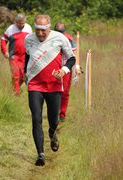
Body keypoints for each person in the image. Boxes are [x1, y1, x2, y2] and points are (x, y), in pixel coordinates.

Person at [24, 15, 76, 166]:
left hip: (54, 85)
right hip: (35, 85)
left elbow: (71, 58)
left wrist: (65, 70)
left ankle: (52, 133)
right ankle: (40, 155)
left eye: (43, 30)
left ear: (49, 27)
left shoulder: (60, 38)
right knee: (36, 119)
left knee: (54, 120)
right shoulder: (29, 39)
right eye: (37, 30)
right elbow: (28, 57)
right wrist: (25, 73)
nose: (40, 33)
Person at [54, 21, 81, 122]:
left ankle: (62, 114)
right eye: (57, 32)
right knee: (53, 91)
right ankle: (54, 112)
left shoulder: (69, 39)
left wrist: (76, 66)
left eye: (61, 32)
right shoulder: (50, 38)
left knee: (65, 92)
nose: (59, 34)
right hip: (53, 67)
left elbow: (74, 54)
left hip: (66, 68)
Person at [0, 13, 32, 96]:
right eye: (19, 23)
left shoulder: (28, 28)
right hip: (14, 56)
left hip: (26, 56)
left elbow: (32, 40)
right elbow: (3, 39)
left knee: (24, 76)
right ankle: (16, 94)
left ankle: (15, 88)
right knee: (16, 75)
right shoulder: (10, 29)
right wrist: (5, 51)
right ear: (15, 22)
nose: (21, 25)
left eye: (23, 23)